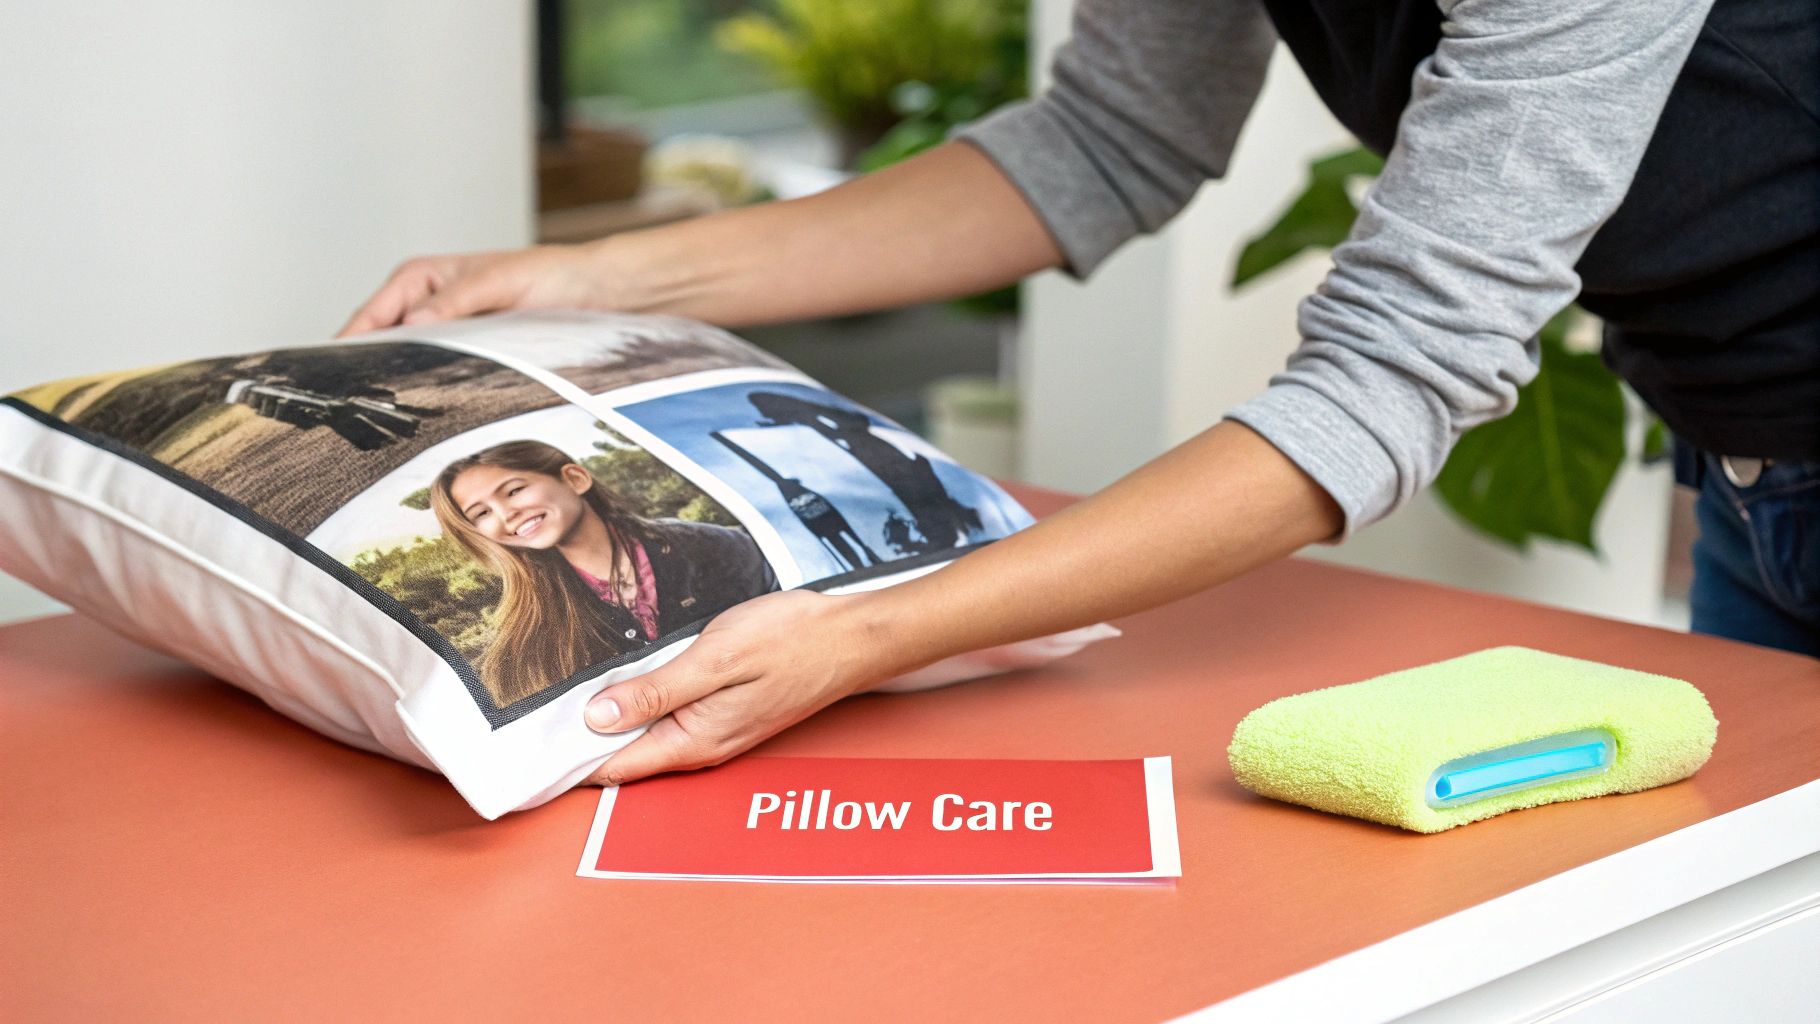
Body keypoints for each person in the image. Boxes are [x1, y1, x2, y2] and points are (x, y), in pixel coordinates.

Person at [346, 0, 1817, 781]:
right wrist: (603, 280)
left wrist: (865, 632)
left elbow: (1395, 368)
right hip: (1745, 449)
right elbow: (1110, 137)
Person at [430, 440, 777, 704]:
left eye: (515, 490)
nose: (506, 515)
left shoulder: (710, 545)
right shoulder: (526, 628)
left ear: (575, 479)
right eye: (481, 514)